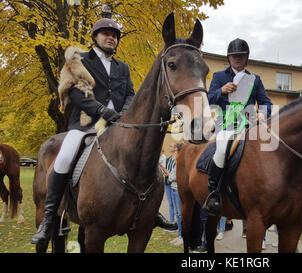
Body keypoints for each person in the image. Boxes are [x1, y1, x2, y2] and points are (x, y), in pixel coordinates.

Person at [31, 18, 174, 245]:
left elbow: (130, 94)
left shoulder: (122, 67)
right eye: (106, 33)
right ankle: (49, 217)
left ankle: (150, 211)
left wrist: (125, 113)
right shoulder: (79, 61)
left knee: (143, 158)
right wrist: (102, 111)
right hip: (85, 125)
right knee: (65, 156)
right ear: (95, 37)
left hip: (118, 125)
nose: (111, 37)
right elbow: (76, 92)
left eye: (115, 35)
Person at [205, 38, 273, 215]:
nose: (237, 58)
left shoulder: (255, 79)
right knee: (221, 148)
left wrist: (262, 113)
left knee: (270, 147)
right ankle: (214, 191)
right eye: (234, 56)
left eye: (241, 56)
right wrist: (221, 91)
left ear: (246, 57)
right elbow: (208, 99)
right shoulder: (219, 77)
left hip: (249, 124)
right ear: (229, 58)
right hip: (226, 123)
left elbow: (266, 102)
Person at [168, 143, 184, 246]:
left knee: (180, 214)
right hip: (173, 189)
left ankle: (182, 236)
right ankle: (179, 235)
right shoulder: (176, 161)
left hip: (178, 190)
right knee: (178, 215)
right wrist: (171, 176)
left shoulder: (180, 162)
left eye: (177, 151)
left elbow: (174, 177)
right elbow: (171, 176)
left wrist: (171, 176)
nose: (175, 152)